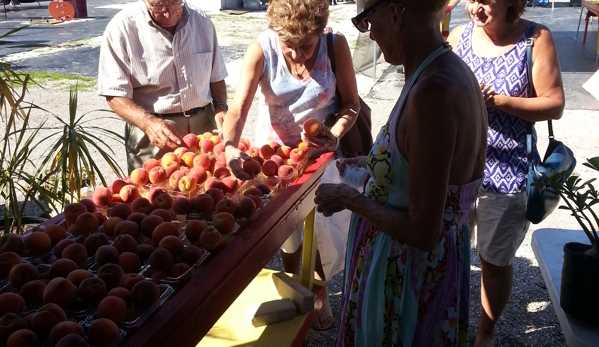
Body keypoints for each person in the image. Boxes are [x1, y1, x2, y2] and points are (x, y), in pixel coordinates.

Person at [314, 0, 488, 345]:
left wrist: (351, 199)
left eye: (366, 20)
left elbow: (423, 230)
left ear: (394, 13)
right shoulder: (448, 69)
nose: (371, 35)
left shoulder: (430, 94)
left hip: (407, 274)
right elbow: (423, 165)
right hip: (430, 265)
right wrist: (371, 164)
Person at [221, 0, 359, 331]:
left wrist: (335, 133)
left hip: (319, 154)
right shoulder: (261, 49)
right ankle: (295, 283)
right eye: (289, 46)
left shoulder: (334, 44)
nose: (297, 55)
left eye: (306, 46)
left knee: (323, 227)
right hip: (276, 157)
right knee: (287, 232)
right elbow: (238, 109)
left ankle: (317, 285)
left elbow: (351, 104)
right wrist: (229, 148)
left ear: (320, 30)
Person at [447, 1, 565, 346]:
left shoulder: (535, 38)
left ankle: (485, 331)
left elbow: (554, 103)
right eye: (472, 0)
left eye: (486, 1)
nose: (475, 8)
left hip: (508, 173)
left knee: (494, 261)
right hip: (458, 169)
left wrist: (497, 101)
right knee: (450, 251)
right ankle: (449, 318)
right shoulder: (458, 37)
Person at [97, 0, 228, 173]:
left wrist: (221, 106)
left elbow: (216, 76)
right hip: (154, 133)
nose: (168, 14)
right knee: (157, 192)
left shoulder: (201, 21)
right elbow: (114, 94)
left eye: (175, 4)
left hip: (204, 126)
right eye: (158, 6)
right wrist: (147, 123)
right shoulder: (122, 27)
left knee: (210, 190)